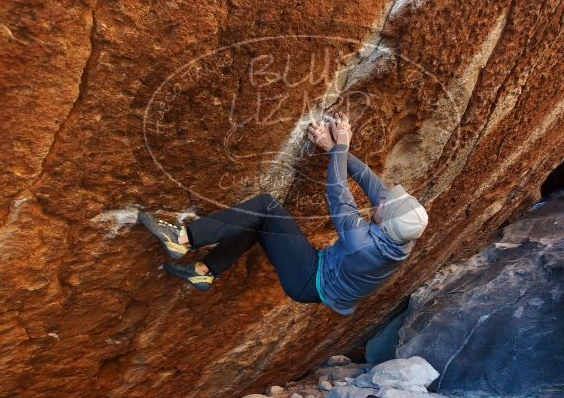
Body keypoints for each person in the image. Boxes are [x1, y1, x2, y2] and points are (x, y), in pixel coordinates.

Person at [138, 112, 429, 315]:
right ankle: (204, 272)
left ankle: (182, 238)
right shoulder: (402, 229)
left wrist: (341, 145)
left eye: (384, 206)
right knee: (260, 222)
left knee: (266, 206)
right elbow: (367, 179)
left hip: (308, 281)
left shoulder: (361, 243)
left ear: (383, 223)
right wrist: (331, 147)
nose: (382, 201)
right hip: (325, 270)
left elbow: (337, 192)